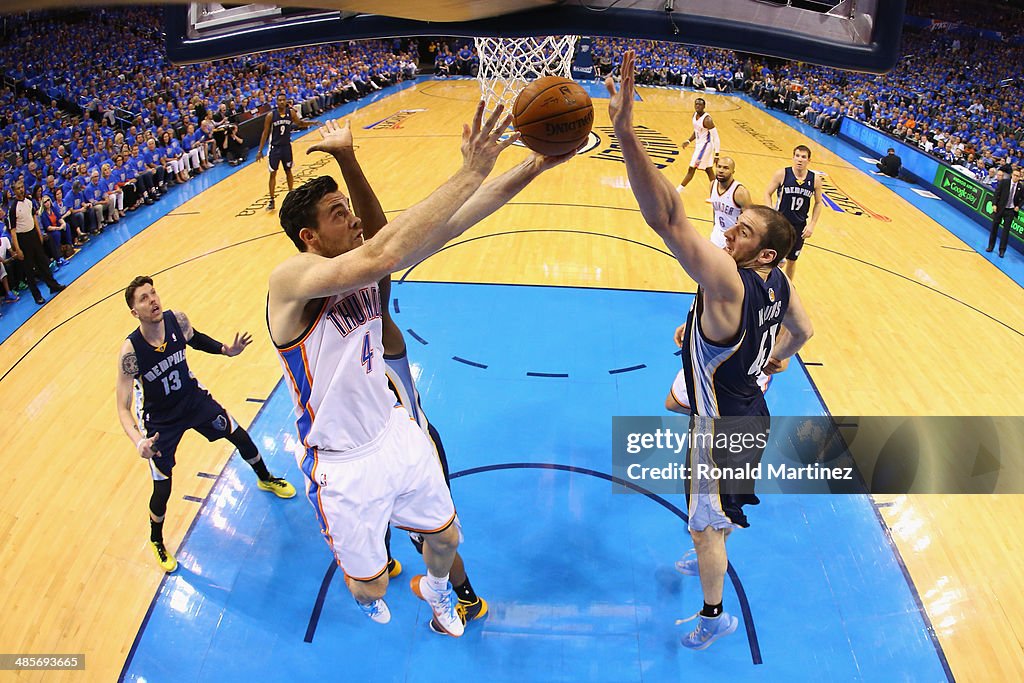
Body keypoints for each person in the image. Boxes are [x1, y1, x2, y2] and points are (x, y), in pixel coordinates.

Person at [267, 106, 573, 636]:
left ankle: (436, 588)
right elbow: (384, 246)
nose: (353, 218)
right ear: (309, 237)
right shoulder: (291, 278)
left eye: (347, 208)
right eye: (338, 213)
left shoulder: (365, 268)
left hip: (395, 432)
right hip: (341, 461)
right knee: (370, 587)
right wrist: (470, 167)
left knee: (447, 539)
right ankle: (366, 575)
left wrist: (533, 166)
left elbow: (460, 217)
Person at [607, 50, 814, 651]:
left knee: (707, 526)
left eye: (742, 231)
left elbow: (669, 217)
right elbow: (804, 330)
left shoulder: (729, 280)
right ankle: (709, 532)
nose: (728, 231)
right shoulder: (779, 283)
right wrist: (772, 357)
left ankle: (714, 612)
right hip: (750, 405)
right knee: (706, 496)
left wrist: (624, 134)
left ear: (765, 254)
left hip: (722, 426)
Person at [329, 125, 490, 629]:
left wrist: (349, 161)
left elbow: (379, 246)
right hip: (374, 453)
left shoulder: (378, 326)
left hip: (407, 451)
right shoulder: (326, 319)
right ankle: (390, 560)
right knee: (379, 514)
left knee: (435, 541)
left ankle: (464, 598)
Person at [116, 276, 297, 573]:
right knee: (163, 487)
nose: (153, 301)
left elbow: (195, 338)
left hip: (192, 400)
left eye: (153, 293)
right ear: (134, 311)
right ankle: (156, 540)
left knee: (238, 434)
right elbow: (123, 408)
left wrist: (227, 350)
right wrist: (139, 442)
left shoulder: (176, 320)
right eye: (144, 299)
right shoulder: (131, 353)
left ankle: (265, 477)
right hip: (161, 421)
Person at [763, 145, 823, 281]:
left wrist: (812, 224)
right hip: (781, 224)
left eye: (803, 157)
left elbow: (819, 203)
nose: (799, 160)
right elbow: (767, 193)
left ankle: (789, 287)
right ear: (793, 157)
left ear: (809, 160)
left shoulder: (815, 180)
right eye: (797, 156)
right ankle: (766, 285)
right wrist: (771, 210)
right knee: (772, 258)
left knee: (792, 259)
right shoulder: (782, 174)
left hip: (799, 226)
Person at [4, 180, 65, 305]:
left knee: (43, 262)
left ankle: (53, 285)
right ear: (14, 191)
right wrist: (17, 248)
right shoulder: (13, 208)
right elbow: (13, 231)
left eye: (22, 187)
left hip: (33, 235)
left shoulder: (29, 202)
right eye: (18, 188)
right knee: (29, 270)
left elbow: (34, 219)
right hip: (23, 239)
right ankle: (37, 296)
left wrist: (39, 234)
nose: (21, 190)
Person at [257, 94, 315, 211]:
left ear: (286, 101)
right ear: (276, 102)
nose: (282, 102)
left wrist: (312, 122)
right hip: (274, 148)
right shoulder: (270, 115)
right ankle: (272, 200)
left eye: (284, 100)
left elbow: (300, 123)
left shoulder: (291, 113)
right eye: (280, 100)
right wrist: (260, 150)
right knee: (273, 173)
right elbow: (265, 133)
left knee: (288, 170)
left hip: (286, 147)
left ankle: (291, 196)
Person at [678, 97, 720, 190]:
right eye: (696, 104)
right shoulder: (694, 115)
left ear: (704, 106)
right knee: (708, 170)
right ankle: (716, 193)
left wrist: (717, 155)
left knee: (691, 168)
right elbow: (696, 130)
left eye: (700, 104)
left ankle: (677, 191)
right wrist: (689, 140)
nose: (697, 106)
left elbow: (716, 138)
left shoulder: (707, 120)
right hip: (699, 145)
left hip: (705, 147)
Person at [986, 165, 1021, 258]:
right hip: (1000, 208)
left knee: (1006, 232)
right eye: (1014, 175)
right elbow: (996, 193)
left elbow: (1023, 199)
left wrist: (1018, 206)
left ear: (1020, 177)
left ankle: (1002, 250)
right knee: (994, 228)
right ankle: (990, 246)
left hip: (1010, 211)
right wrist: (994, 204)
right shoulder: (1004, 182)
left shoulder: (1021, 187)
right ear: (1011, 175)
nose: (1015, 177)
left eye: (1018, 176)